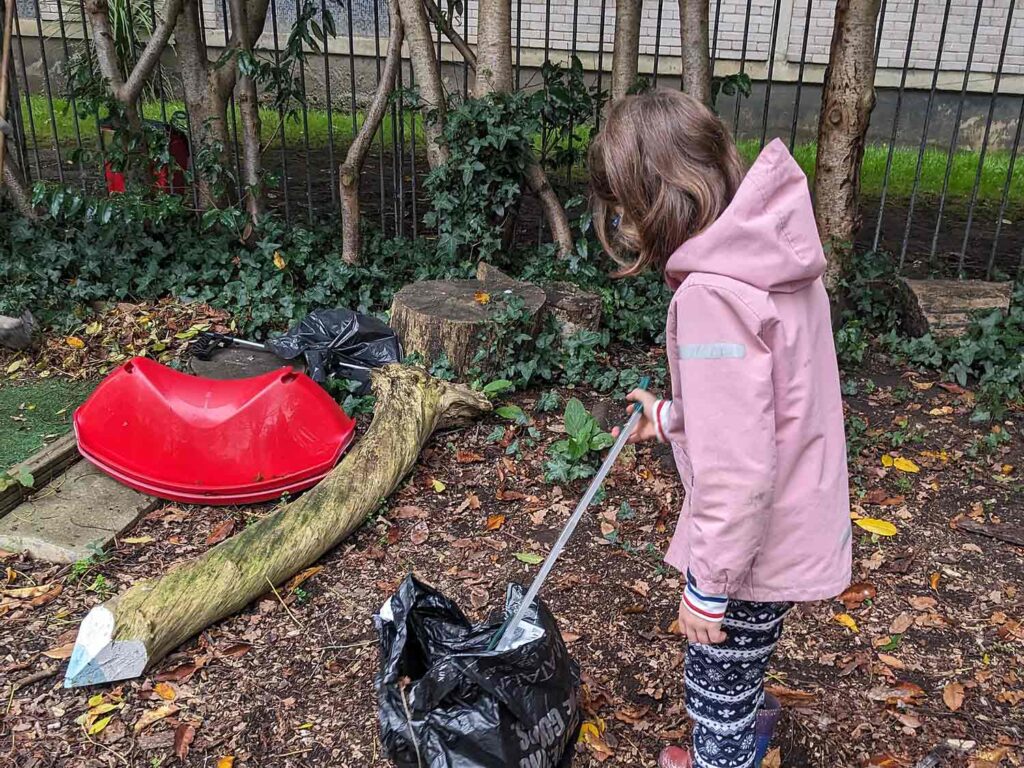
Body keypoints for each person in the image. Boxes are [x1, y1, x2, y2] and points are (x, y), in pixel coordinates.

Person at [592, 89, 851, 768]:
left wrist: (708, 585)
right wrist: (675, 418)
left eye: (620, 206)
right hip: (794, 517)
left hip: (749, 550)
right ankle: (750, 721)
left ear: (654, 199)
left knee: (715, 689)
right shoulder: (775, 259)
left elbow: (737, 467)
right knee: (745, 662)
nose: (618, 223)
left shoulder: (713, 296)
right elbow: (768, 406)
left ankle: (724, 753)